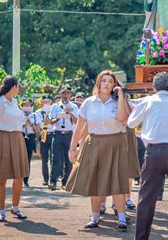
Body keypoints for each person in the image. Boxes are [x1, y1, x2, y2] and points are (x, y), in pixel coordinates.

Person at [128, 72, 168, 240]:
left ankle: (141, 237)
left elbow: (131, 123)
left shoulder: (147, 101)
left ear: (153, 87)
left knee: (146, 198)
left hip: (153, 153)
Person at [66, 70, 129, 231]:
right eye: (104, 81)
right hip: (94, 143)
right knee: (95, 181)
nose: (106, 84)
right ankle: (94, 217)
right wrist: (73, 148)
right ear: (98, 83)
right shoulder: (89, 102)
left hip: (116, 143)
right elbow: (80, 127)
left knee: (117, 180)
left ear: (115, 85)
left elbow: (123, 119)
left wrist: (121, 95)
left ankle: (121, 218)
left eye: (110, 81)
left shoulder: (118, 102)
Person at [0, 76, 29, 222]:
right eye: (19, 86)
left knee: (19, 176)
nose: (19, 88)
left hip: (17, 138)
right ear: (14, 86)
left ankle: (15, 207)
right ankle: (1, 211)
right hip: (2, 139)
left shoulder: (14, 102)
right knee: (1, 177)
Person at [49, 86, 78, 190]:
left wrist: (70, 114)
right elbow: (50, 122)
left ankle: (66, 182)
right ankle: (53, 181)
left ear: (70, 95)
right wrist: (58, 117)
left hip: (69, 134)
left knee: (69, 159)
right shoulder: (55, 106)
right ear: (60, 94)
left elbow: (77, 122)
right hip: (57, 133)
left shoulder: (74, 106)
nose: (65, 95)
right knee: (56, 159)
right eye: (63, 93)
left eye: (67, 93)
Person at [21, 99, 41, 187]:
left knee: (27, 158)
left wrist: (31, 124)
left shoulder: (35, 115)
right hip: (20, 135)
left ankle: (26, 180)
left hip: (31, 136)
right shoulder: (19, 114)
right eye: (25, 104)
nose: (27, 106)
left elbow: (38, 129)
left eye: (29, 104)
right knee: (19, 157)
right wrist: (23, 124)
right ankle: (18, 178)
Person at [37, 95, 54, 186]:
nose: (47, 103)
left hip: (52, 135)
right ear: (42, 102)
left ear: (51, 102)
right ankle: (45, 179)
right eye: (45, 101)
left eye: (48, 101)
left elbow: (56, 122)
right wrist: (44, 121)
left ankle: (52, 179)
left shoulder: (54, 111)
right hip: (43, 135)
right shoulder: (38, 112)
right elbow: (39, 124)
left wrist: (50, 119)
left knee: (53, 158)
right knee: (44, 159)